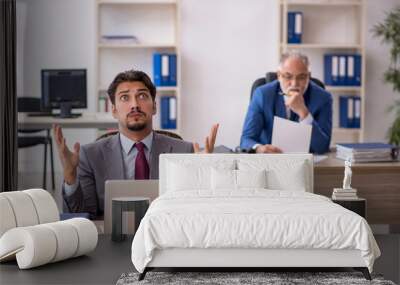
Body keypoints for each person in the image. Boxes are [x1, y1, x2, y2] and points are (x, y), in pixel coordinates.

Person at [54, 69, 219, 218]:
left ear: (154, 107)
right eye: (125, 97)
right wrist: (70, 176)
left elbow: (195, 213)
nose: (134, 105)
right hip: (114, 240)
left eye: (142, 96)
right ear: (113, 110)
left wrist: (202, 173)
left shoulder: (184, 151)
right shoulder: (90, 155)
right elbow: (81, 218)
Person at [240, 51, 332, 154]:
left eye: (301, 77)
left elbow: (322, 147)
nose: (294, 83)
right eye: (288, 76)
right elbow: (246, 140)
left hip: (306, 162)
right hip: (270, 160)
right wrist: (259, 148)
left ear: (308, 76)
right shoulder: (263, 95)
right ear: (279, 75)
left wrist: (303, 113)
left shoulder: (323, 98)